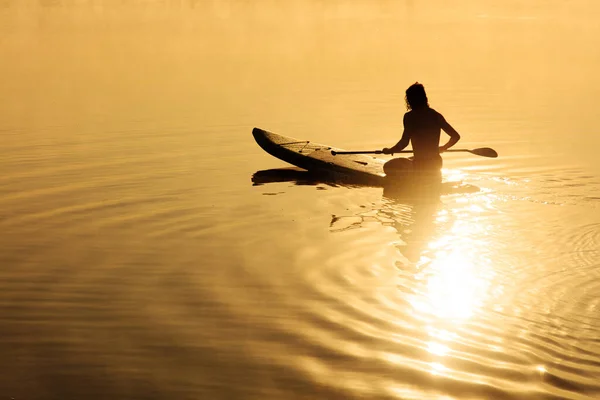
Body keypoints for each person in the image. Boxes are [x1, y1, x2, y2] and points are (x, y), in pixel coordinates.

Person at [382, 83, 461, 180]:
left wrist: (390, 150)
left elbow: (404, 142)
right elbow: (456, 136)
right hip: (436, 164)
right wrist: (444, 148)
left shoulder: (410, 117)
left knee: (387, 166)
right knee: (411, 158)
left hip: (420, 165)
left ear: (411, 100)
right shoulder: (436, 115)